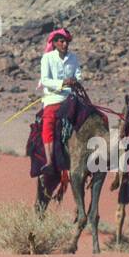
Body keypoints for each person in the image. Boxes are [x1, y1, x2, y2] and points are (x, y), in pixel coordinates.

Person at [37, 26, 83, 171]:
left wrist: (75, 80)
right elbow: (45, 80)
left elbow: (79, 75)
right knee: (48, 123)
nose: (65, 44)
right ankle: (50, 160)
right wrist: (62, 83)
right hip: (53, 97)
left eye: (67, 42)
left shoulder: (73, 58)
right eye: (62, 41)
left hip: (71, 96)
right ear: (55, 43)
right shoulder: (47, 58)